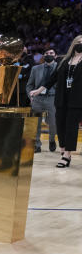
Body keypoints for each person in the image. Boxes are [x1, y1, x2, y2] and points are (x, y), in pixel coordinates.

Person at [52, 35, 82, 168]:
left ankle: (66, 155)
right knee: (60, 125)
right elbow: (53, 78)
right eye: (79, 42)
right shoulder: (64, 60)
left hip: (77, 99)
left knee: (71, 127)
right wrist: (40, 89)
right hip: (62, 98)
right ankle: (64, 150)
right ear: (74, 43)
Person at [26, 48, 59, 153]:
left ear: (56, 55)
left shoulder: (60, 68)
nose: (49, 55)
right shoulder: (35, 68)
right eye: (46, 53)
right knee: (36, 123)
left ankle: (52, 139)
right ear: (43, 56)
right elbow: (29, 85)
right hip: (37, 98)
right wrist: (31, 96)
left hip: (53, 98)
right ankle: (37, 144)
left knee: (53, 123)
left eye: (51, 53)